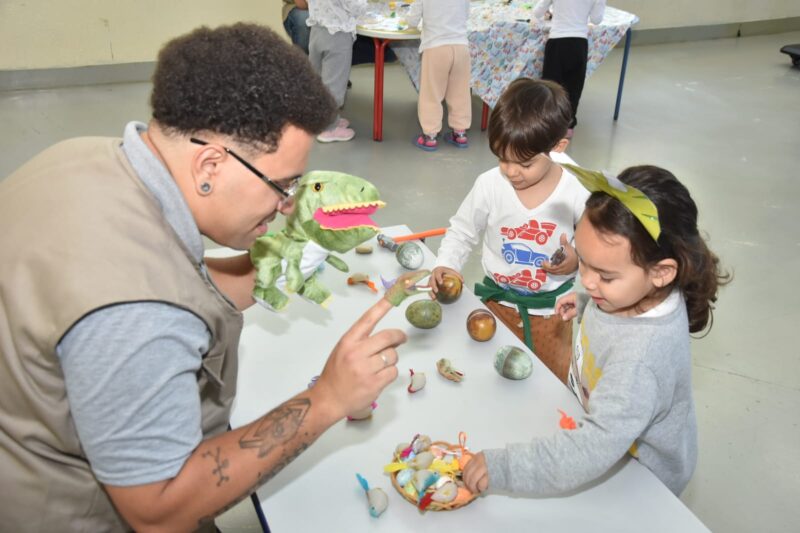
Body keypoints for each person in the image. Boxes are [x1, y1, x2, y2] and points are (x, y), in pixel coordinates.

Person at [0, 23, 406, 532]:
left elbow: (173, 277)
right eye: (282, 186)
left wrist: (278, 259)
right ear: (210, 163)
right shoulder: (136, 313)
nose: (286, 207)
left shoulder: (84, 158)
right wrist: (327, 400)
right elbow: (157, 510)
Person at [462, 165, 730, 497]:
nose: (587, 280)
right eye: (584, 262)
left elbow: (590, 450)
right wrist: (590, 302)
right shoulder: (631, 293)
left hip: (639, 482)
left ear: (661, 272)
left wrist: (503, 468)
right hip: (607, 432)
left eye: (605, 276)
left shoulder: (640, 363)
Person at [429, 78, 589, 383]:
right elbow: (462, 230)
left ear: (558, 147)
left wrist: (577, 260)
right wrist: (446, 263)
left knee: (548, 386)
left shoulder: (577, 191)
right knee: (490, 379)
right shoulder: (490, 185)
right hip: (496, 306)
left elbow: (600, 252)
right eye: (503, 159)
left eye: (525, 163)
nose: (511, 171)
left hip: (551, 315)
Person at [533, 0, 606, 138]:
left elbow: (537, 12)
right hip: (579, 43)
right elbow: (596, 20)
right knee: (574, 87)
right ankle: (568, 126)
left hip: (557, 41)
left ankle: (548, 124)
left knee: (551, 86)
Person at [406, 0, 472, 151]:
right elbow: (466, 14)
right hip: (461, 46)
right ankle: (460, 133)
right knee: (460, 93)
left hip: (436, 47)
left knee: (431, 94)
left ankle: (430, 136)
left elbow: (412, 19)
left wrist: (410, 20)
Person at [307, 0, 368, 143]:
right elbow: (355, 4)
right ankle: (329, 128)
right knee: (334, 84)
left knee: (317, 80)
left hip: (316, 31)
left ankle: (320, 121)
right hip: (337, 35)